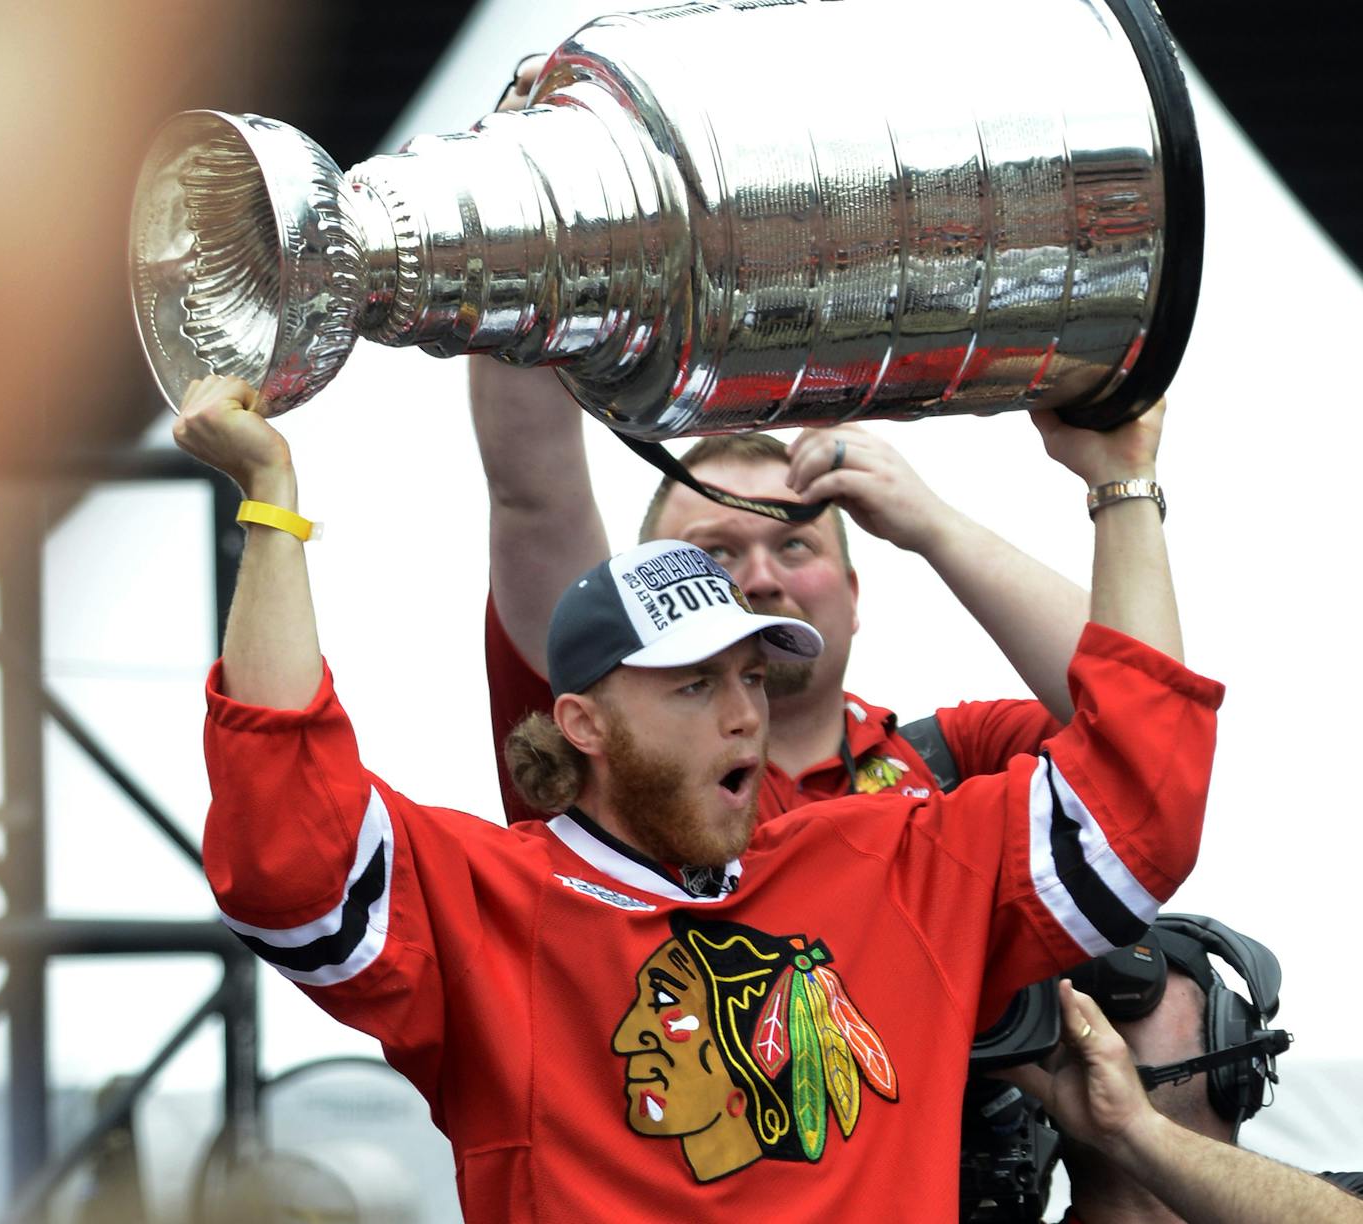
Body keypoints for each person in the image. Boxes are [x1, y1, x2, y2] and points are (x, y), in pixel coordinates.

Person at [177, 372, 1220, 1220]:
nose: (741, 714)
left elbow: (1135, 800)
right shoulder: (492, 901)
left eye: (751, 676)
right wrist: (270, 507)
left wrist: (1120, 481)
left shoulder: (892, 854)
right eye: (691, 682)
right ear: (578, 721)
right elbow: (289, 852)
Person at [476, 63, 1094, 828]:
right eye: (715, 558)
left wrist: (936, 527)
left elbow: (1133, 709)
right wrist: (521, 196)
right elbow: (533, 495)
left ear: (855, 593)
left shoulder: (958, 762)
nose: (760, 579)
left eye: (795, 547)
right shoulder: (611, 764)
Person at [1006, 956, 1363, 1223]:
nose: (1089, 1013)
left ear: (1229, 1041)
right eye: (1071, 996)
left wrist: (1134, 1127)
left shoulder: (1342, 1199)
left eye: (1132, 994)